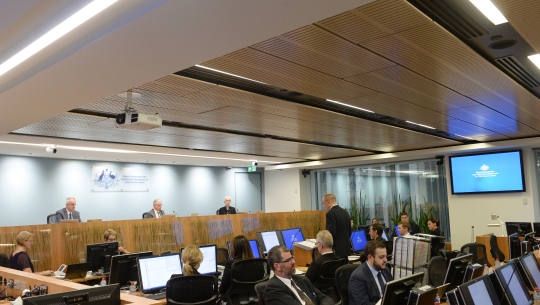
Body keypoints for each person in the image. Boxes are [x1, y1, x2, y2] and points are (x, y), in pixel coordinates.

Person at [265, 245, 333, 305]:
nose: (293, 262)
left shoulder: (302, 279)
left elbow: (326, 299)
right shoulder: (273, 288)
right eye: (288, 260)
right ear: (277, 266)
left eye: (292, 258)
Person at [349, 241, 392, 305]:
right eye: (381, 257)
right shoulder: (357, 278)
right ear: (370, 257)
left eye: (385, 256)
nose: (385, 260)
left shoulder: (385, 269)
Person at [322, 193, 351, 258]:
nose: (324, 206)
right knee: (345, 268)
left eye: (323, 203)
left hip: (336, 251)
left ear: (328, 201)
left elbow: (331, 233)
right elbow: (349, 232)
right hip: (346, 250)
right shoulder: (345, 212)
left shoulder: (330, 214)